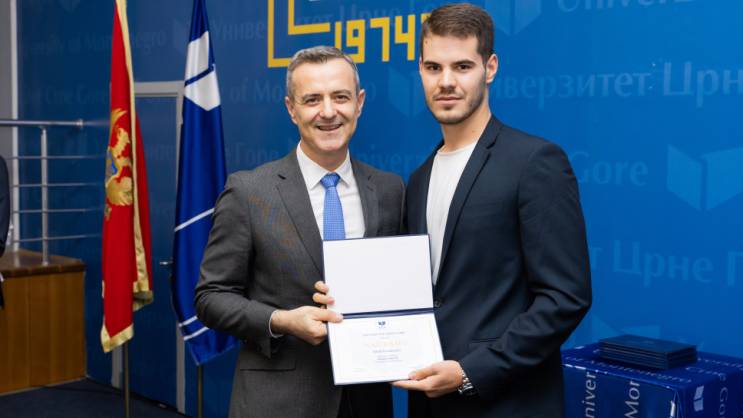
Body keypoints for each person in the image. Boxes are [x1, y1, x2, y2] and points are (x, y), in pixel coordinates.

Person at [393, 4, 593, 417]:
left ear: (491, 68)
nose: (446, 82)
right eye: (433, 67)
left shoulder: (534, 161)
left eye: (462, 66)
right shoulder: (419, 179)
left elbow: (565, 298)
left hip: (507, 403)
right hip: (429, 403)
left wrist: (470, 372)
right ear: (420, 71)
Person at [194, 46, 402, 418]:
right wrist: (281, 321)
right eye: (312, 100)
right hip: (279, 402)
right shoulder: (249, 192)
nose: (328, 111)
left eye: (340, 97)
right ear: (291, 109)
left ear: (359, 103)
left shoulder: (389, 190)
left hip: (367, 402)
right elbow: (211, 297)